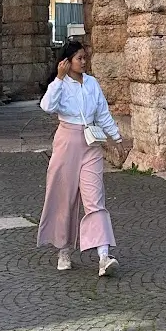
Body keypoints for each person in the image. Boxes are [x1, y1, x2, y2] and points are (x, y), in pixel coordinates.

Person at [37, 38, 124, 276]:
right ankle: (64, 249)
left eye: (85, 58)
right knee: (64, 198)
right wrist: (58, 78)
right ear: (67, 61)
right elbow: (47, 106)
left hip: (91, 144)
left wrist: (116, 138)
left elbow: (103, 113)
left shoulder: (92, 83)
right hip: (67, 142)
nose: (84, 62)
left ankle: (103, 255)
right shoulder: (61, 84)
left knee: (95, 198)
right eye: (79, 58)